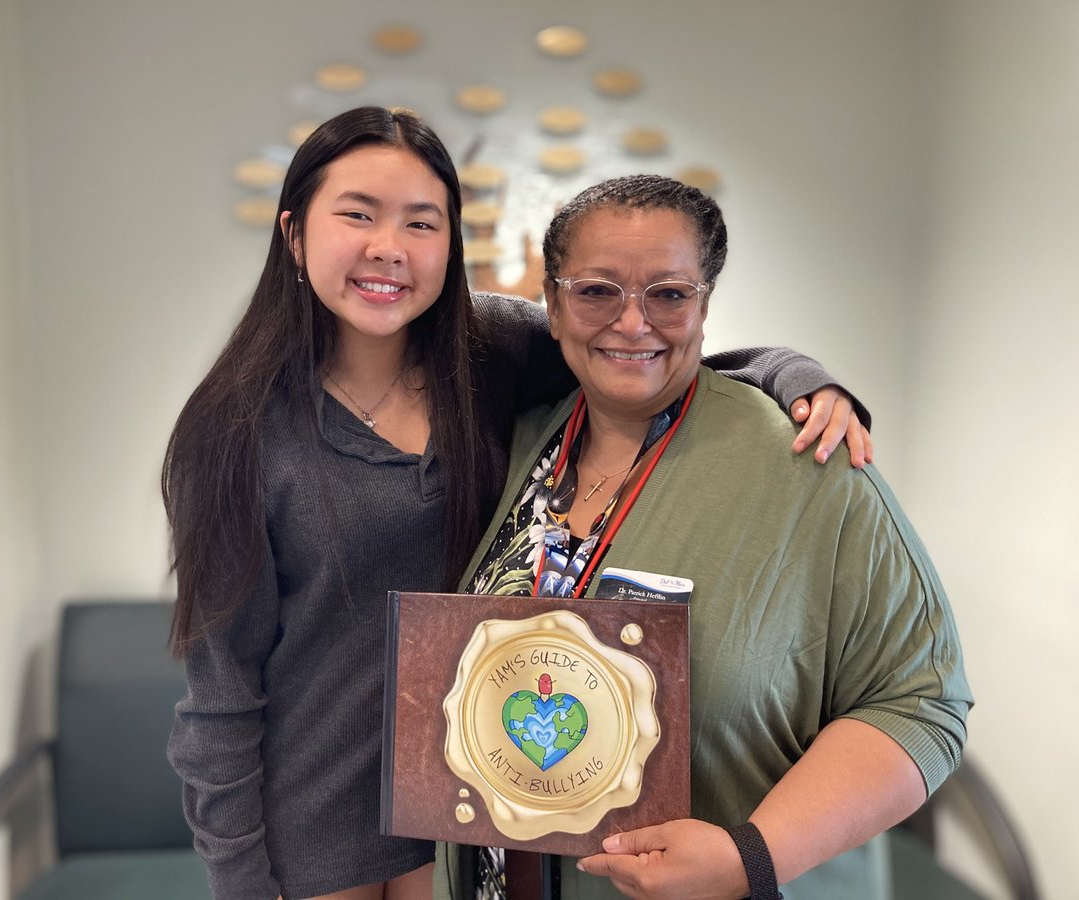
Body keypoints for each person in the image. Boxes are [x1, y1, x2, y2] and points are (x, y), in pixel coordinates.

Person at [162, 107, 873, 900]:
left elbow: (637, 347)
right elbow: (221, 699)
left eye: (421, 223)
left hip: (476, 811)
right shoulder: (233, 432)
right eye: (357, 214)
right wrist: (241, 884)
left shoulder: (492, 349)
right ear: (294, 234)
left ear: (450, 243)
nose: (388, 247)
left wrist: (794, 376)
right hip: (321, 825)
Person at [457, 174, 972, 898]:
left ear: (704, 304)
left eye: (668, 294)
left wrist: (751, 857)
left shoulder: (809, 464)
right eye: (597, 290)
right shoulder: (514, 444)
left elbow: (923, 702)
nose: (632, 323)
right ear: (552, 304)